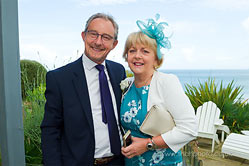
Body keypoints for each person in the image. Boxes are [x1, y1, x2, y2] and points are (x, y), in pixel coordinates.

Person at [41, 13, 126, 166]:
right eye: (93, 34)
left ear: (114, 44)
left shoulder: (119, 72)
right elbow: (50, 130)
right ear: (83, 36)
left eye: (106, 37)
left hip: (119, 162)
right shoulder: (59, 78)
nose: (98, 42)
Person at [120, 14, 198, 166]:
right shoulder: (126, 85)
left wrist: (147, 144)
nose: (137, 56)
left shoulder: (167, 82)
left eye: (145, 51)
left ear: (156, 59)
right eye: (132, 50)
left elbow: (190, 129)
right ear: (126, 56)